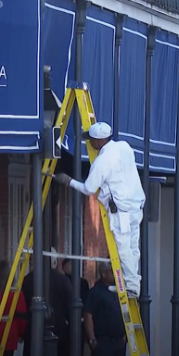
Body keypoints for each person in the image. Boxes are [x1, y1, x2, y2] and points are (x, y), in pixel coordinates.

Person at [55, 122, 146, 298]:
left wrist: (68, 181)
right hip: (135, 205)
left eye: (92, 140)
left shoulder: (103, 161)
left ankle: (132, 288)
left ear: (101, 140)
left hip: (122, 210)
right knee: (133, 248)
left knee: (124, 249)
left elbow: (89, 188)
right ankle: (134, 284)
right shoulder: (124, 147)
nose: (90, 143)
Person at [21, 256, 72, 356]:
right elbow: (70, 308)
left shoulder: (28, 279)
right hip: (59, 332)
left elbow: (22, 305)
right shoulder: (62, 280)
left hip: (33, 332)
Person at [84, 262, 127, 356]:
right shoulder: (95, 292)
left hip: (119, 343)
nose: (116, 274)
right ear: (104, 274)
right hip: (103, 343)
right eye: (113, 271)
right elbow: (88, 315)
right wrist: (92, 340)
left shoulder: (119, 291)